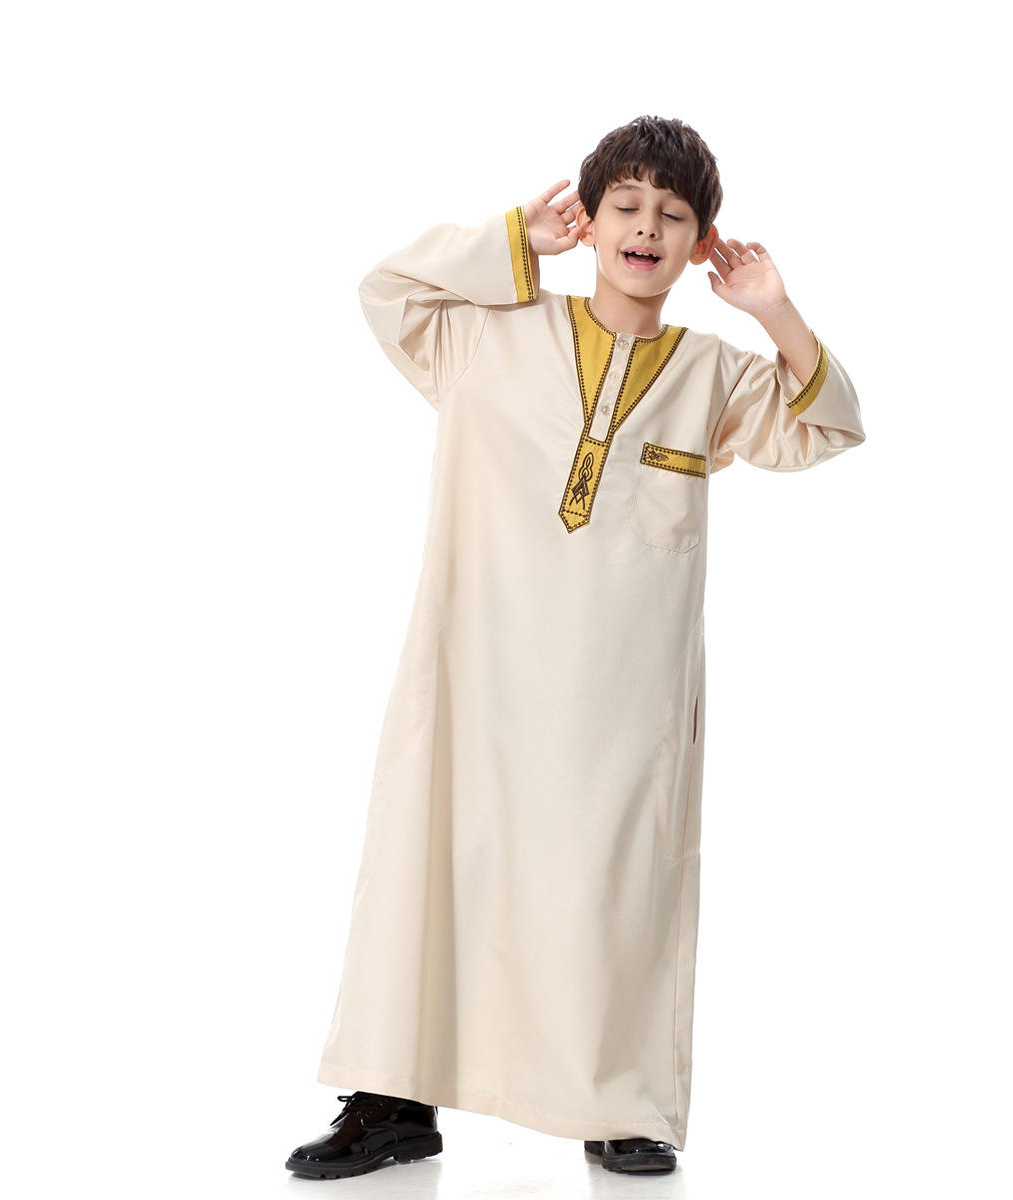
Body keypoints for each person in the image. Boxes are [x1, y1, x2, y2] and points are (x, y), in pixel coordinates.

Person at [285, 114, 866, 1180]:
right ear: (589, 222)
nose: (645, 228)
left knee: (616, 885)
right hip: (474, 677)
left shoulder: (714, 376)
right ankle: (392, 1099)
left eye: (672, 215)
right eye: (625, 206)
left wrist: (774, 309)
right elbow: (387, 291)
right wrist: (512, 237)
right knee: (429, 867)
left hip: (618, 706)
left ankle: (623, 1102)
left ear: (699, 243)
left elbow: (824, 427)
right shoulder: (487, 335)